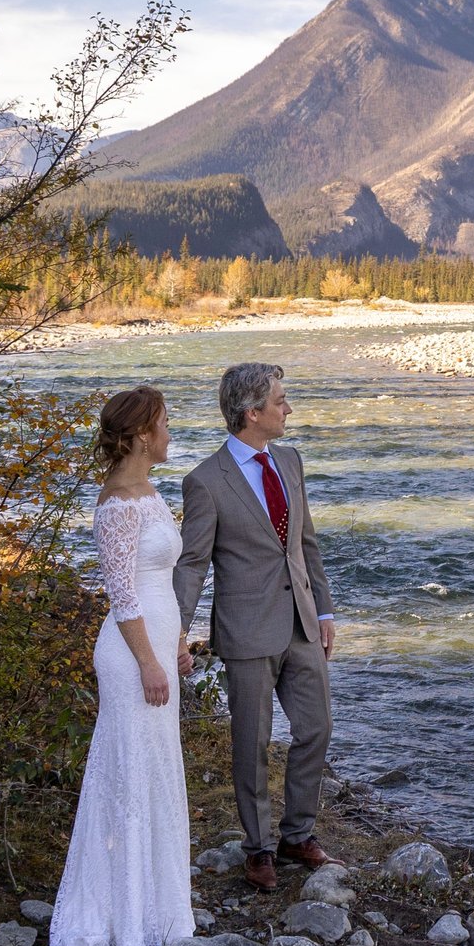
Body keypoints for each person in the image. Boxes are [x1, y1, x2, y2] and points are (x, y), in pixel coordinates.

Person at [49, 386, 197, 946]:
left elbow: (162, 582)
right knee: (129, 774)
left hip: (158, 644)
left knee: (157, 771)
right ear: (139, 435)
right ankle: (119, 919)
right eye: (163, 424)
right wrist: (148, 662)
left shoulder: (151, 494)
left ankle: (160, 911)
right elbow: (122, 594)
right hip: (130, 655)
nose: (169, 433)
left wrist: (178, 642)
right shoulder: (116, 505)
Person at [175, 361, 339, 893]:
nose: (288, 408)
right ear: (252, 412)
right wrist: (176, 630)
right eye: (280, 400)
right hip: (246, 632)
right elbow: (192, 563)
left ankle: (298, 835)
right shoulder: (205, 481)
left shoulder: (289, 460)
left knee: (316, 729)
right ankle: (259, 848)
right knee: (252, 741)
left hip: (302, 624)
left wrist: (325, 611)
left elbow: (305, 544)